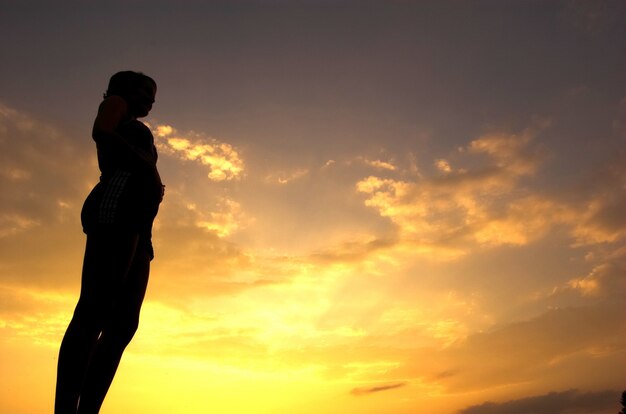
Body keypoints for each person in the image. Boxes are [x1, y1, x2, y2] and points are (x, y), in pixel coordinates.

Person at [55, 71, 164, 414]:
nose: (150, 99)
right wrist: (147, 165)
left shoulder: (133, 123)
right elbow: (100, 131)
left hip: (139, 222)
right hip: (118, 207)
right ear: (123, 90)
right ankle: (65, 409)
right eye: (144, 91)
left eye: (154, 95)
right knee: (94, 311)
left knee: (123, 325)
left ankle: (88, 409)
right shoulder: (114, 104)